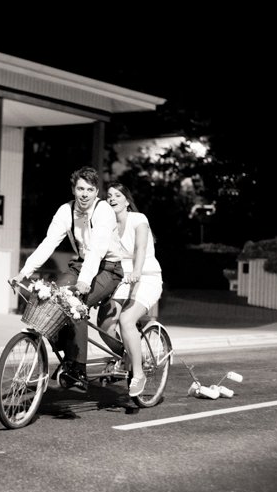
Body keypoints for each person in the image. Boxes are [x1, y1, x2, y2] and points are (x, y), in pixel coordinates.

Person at [10, 166, 124, 390]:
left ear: (96, 191)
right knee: (51, 299)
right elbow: (49, 243)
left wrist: (84, 281)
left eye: (89, 190)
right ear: (73, 189)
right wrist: (24, 272)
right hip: (81, 264)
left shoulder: (104, 211)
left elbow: (97, 250)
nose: (84, 194)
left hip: (108, 268)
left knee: (74, 304)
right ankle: (69, 353)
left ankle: (78, 370)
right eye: (80, 188)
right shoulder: (66, 210)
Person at [98, 182, 163, 398]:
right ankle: (126, 354)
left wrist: (136, 271)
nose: (112, 198)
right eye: (109, 196)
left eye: (118, 195)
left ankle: (138, 373)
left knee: (126, 319)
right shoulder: (107, 225)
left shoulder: (139, 219)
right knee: (105, 323)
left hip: (146, 277)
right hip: (121, 278)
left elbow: (141, 248)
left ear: (127, 200)